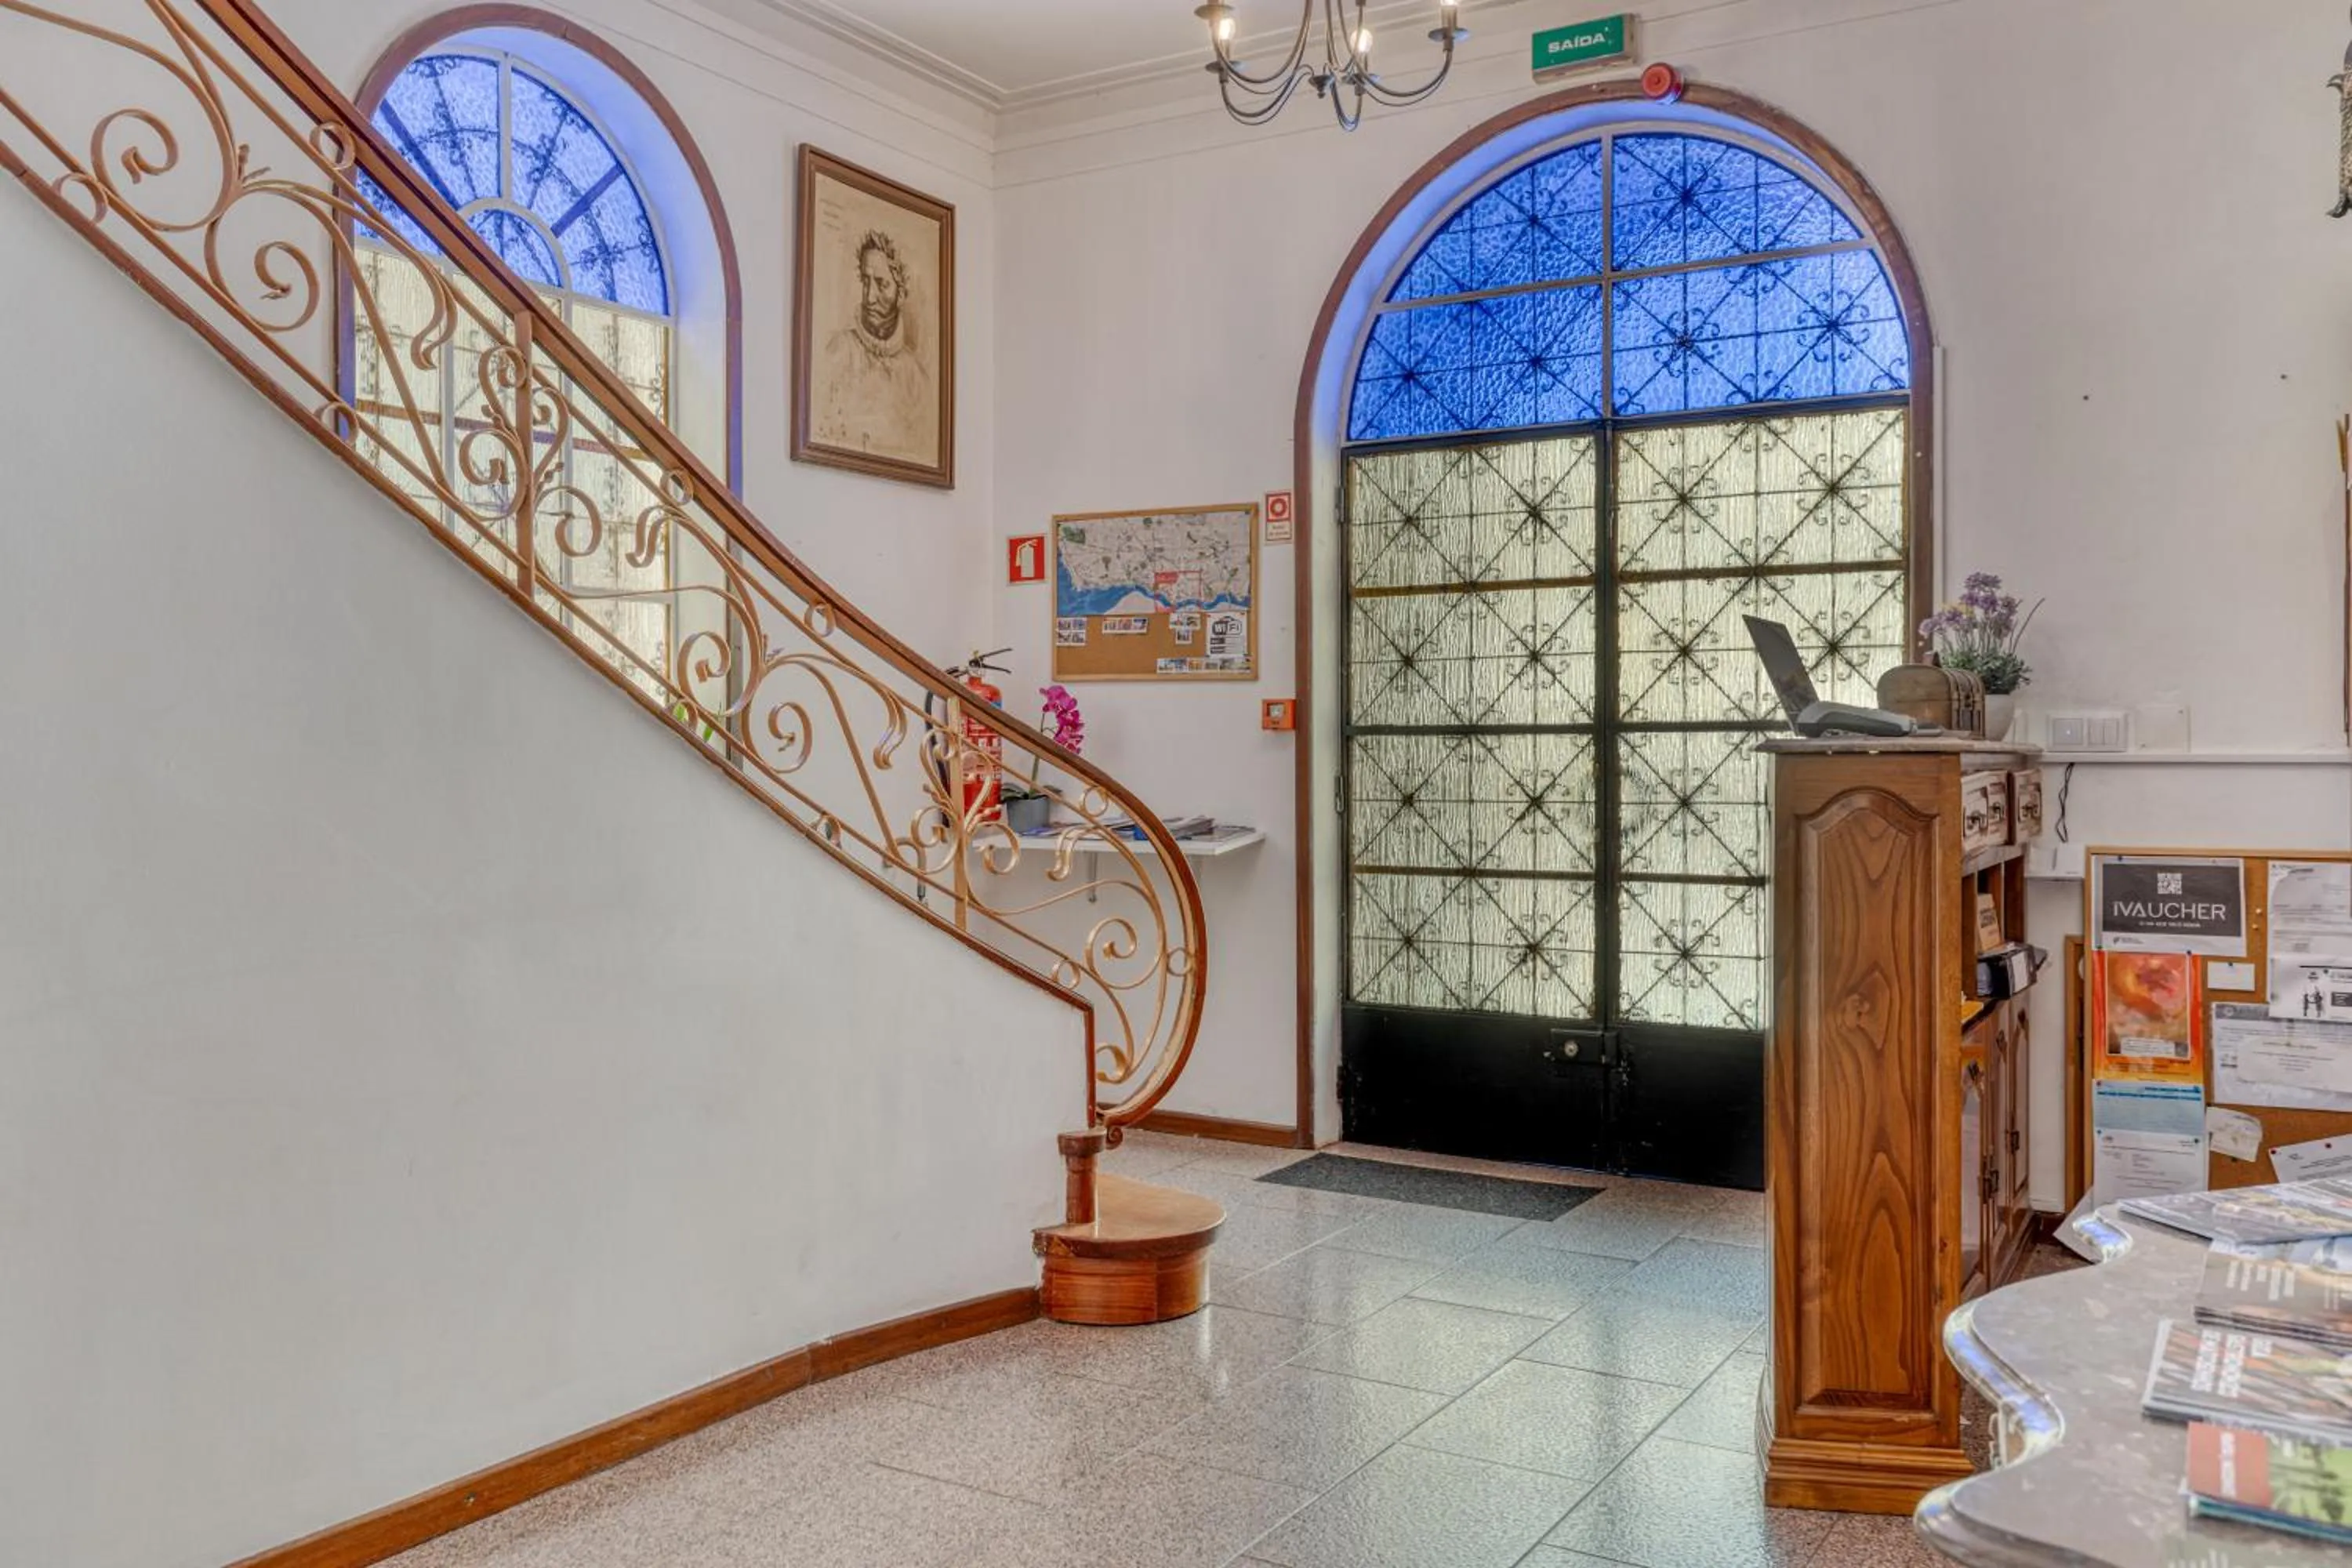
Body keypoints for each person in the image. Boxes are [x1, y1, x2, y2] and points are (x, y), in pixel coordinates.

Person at [815, 228, 935, 461]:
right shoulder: (838, 352)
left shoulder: (915, 377)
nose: (869, 297)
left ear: (901, 293)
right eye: (865, 281)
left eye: (882, 284)